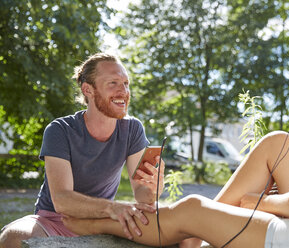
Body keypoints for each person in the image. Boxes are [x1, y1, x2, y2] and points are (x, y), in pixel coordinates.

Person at [59, 0, 289, 247]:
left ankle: (103, 224)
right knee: (278, 142)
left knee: (193, 206)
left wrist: (259, 203)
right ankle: (202, 233)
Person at [0, 53, 165, 248]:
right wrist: (112, 208)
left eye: (126, 83)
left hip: (99, 221)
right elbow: (62, 200)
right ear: (88, 89)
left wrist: (155, 185)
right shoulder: (60, 130)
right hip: (53, 220)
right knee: (12, 237)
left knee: (177, 231)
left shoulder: (132, 129)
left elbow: (142, 195)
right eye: (113, 83)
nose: (124, 91)